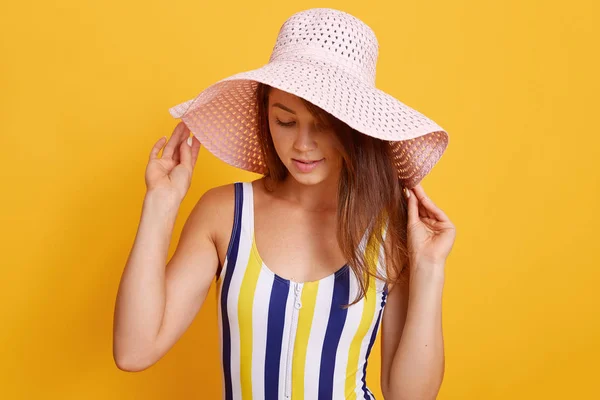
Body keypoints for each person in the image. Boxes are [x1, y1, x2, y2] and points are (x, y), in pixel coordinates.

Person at [113, 7, 456, 400]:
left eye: (324, 125)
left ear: (355, 129)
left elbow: (409, 397)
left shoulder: (388, 229)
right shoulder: (225, 214)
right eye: (286, 121)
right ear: (265, 116)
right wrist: (160, 204)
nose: (302, 145)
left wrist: (429, 268)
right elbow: (133, 351)